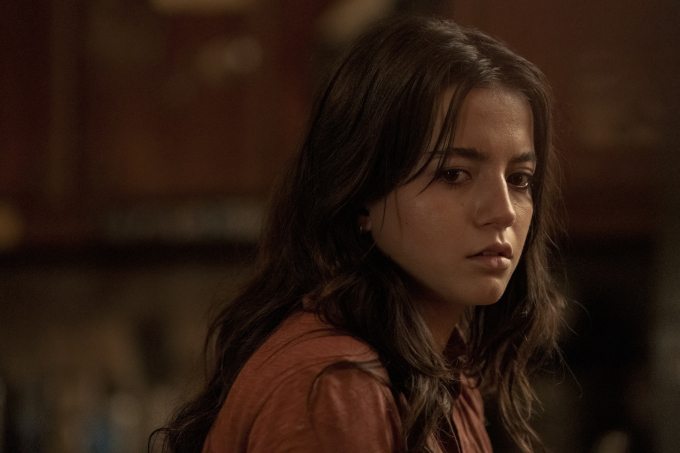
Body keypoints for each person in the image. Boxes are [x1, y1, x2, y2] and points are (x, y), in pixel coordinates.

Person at [157, 15, 565, 453]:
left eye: (519, 179)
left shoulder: (439, 371)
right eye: (453, 174)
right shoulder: (336, 388)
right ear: (361, 191)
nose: (503, 212)